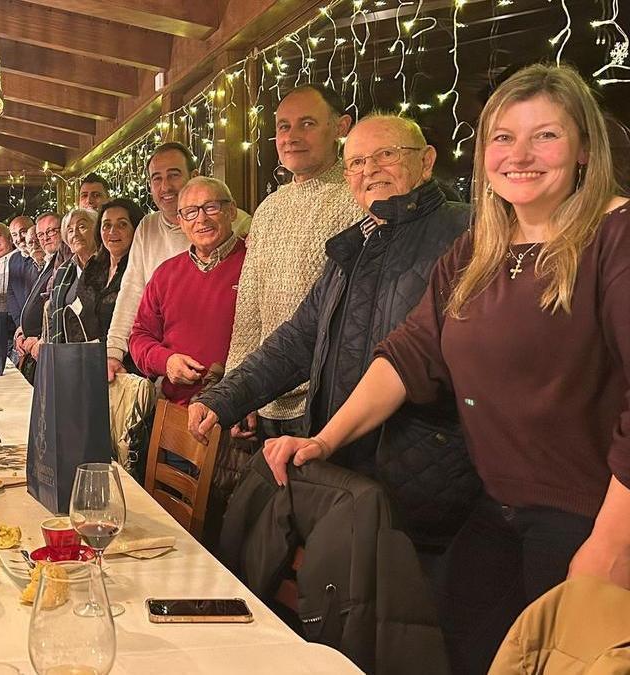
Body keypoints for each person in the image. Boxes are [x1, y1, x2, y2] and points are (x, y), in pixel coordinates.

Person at [261, 65, 630, 673]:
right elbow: (409, 355)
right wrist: (324, 438)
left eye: (546, 136)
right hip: (496, 509)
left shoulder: (614, 236)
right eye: (504, 138)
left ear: (584, 147)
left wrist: (613, 545)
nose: (521, 155)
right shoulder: (479, 247)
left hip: (590, 519)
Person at [188, 114, 478, 551]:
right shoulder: (354, 244)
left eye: (386, 154)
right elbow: (299, 339)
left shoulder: (467, 232)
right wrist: (226, 397)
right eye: (357, 162)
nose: (370, 170)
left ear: (427, 161)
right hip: (346, 464)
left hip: (424, 472)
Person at [222, 84, 364, 443]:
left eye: (307, 124)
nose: (291, 136)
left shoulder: (359, 199)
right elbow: (249, 305)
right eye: (284, 126)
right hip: (267, 393)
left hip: (327, 399)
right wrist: (238, 390)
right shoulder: (269, 208)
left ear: (341, 127)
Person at [103, 142, 251, 382]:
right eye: (156, 179)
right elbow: (131, 293)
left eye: (173, 175)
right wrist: (114, 353)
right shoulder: (151, 234)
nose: (165, 187)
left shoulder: (242, 227)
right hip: (170, 380)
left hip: (233, 387)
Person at [128, 177, 247, 404]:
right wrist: (166, 361)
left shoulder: (252, 262)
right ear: (181, 222)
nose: (201, 219)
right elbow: (139, 337)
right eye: (191, 212)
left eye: (211, 207)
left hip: (240, 408)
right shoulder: (165, 274)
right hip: (177, 410)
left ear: (231, 211)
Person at [69, 199, 143, 368]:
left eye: (122, 225)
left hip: (126, 366)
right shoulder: (93, 266)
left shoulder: (140, 271)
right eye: (106, 225)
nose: (112, 231)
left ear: (136, 229)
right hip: (87, 360)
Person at [36, 207, 98, 352]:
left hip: (98, 354)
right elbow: (52, 313)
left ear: (97, 231)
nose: (75, 234)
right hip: (65, 355)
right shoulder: (63, 271)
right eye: (70, 230)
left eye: (82, 226)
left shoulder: (108, 266)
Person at [16, 212, 67, 361]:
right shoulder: (48, 261)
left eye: (51, 231)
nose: (45, 238)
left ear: (63, 230)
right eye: (41, 234)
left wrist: (41, 336)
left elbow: (59, 306)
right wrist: (22, 330)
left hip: (50, 347)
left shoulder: (65, 261)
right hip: (34, 346)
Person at [6, 215, 42, 338]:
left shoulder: (44, 258)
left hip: (41, 329)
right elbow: (11, 294)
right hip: (22, 328)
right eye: (14, 234)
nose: (19, 238)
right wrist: (20, 325)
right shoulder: (13, 259)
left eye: (23, 232)